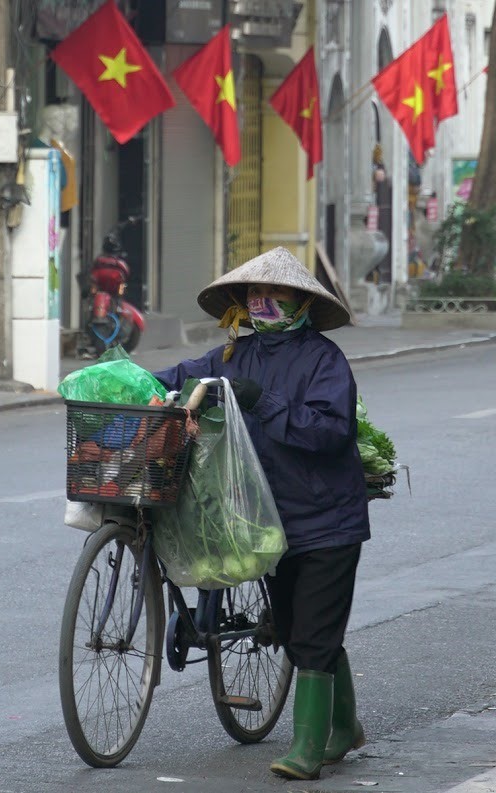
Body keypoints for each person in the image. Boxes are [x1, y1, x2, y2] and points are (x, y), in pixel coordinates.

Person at [154, 246, 370, 781]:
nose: (262, 302)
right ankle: (345, 727)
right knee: (298, 628)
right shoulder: (235, 356)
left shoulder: (325, 361)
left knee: (314, 636)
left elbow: (328, 432)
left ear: (299, 302)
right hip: (266, 522)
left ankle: (306, 746)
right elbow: (184, 373)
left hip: (326, 520)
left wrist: (262, 402)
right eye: (254, 295)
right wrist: (130, 384)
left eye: (274, 295)